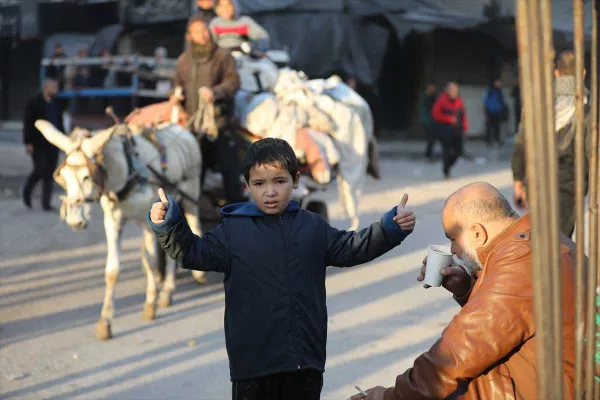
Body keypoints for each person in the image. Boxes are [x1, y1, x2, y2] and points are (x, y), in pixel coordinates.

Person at [148, 138, 416, 400]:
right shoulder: (232, 232)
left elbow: (353, 247)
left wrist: (390, 227)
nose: (270, 192)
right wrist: (168, 223)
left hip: (304, 364)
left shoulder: (312, 227)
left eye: (279, 181)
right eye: (259, 184)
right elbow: (193, 253)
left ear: (296, 180)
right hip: (252, 367)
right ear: (247, 186)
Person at [350, 182, 579, 400]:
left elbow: (454, 355)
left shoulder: (520, 261)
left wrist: (388, 396)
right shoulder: (535, 237)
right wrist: (466, 288)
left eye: (453, 239)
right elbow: (511, 316)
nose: (452, 249)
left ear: (477, 233)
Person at [512, 51, 591, 237]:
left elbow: (522, 141)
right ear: (584, 73)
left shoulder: (538, 101)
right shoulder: (587, 104)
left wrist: (518, 181)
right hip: (571, 182)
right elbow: (590, 149)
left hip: (537, 178)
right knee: (562, 240)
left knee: (539, 238)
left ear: (556, 73)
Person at [174, 17, 244, 204]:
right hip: (195, 127)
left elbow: (234, 83)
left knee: (230, 171)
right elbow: (177, 86)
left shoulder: (222, 56)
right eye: (198, 32)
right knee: (194, 172)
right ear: (189, 37)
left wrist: (215, 92)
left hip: (219, 123)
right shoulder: (183, 60)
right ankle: (191, 217)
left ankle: (237, 217)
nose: (204, 35)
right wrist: (176, 100)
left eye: (206, 31)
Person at [22, 78, 64, 211]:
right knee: (39, 170)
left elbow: (60, 123)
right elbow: (28, 124)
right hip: (38, 143)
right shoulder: (34, 103)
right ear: (46, 88)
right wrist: (28, 142)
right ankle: (26, 192)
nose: (56, 90)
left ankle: (46, 203)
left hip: (53, 144)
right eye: (54, 87)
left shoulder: (57, 103)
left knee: (50, 173)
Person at [432, 82, 469, 179]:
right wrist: (449, 119)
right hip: (445, 130)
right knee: (446, 151)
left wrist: (465, 127)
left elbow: (463, 115)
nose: (454, 92)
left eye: (456, 90)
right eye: (452, 90)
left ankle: (448, 166)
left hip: (457, 130)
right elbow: (436, 115)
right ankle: (446, 171)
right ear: (448, 90)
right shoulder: (442, 100)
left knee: (459, 151)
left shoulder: (459, 101)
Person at [482, 79, 506, 147]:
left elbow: (502, 101)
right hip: (490, 111)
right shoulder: (489, 90)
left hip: (497, 112)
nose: (499, 84)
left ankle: (497, 140)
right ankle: (489, 141)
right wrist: (486, 108)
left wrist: (501, 108)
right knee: (489, 127)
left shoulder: (499, 91)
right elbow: (485, 100)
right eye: (497, 82)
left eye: (499, 83)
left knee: (497, 127)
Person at [420, 83, 438, 160]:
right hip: (429, 121)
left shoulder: (432, 97)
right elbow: (426, 109)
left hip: (432, 120)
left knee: (431, 139)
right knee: (430, 138)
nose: (433, 90)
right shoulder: (426, 97)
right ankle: (428, 154)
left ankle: (429, 154)